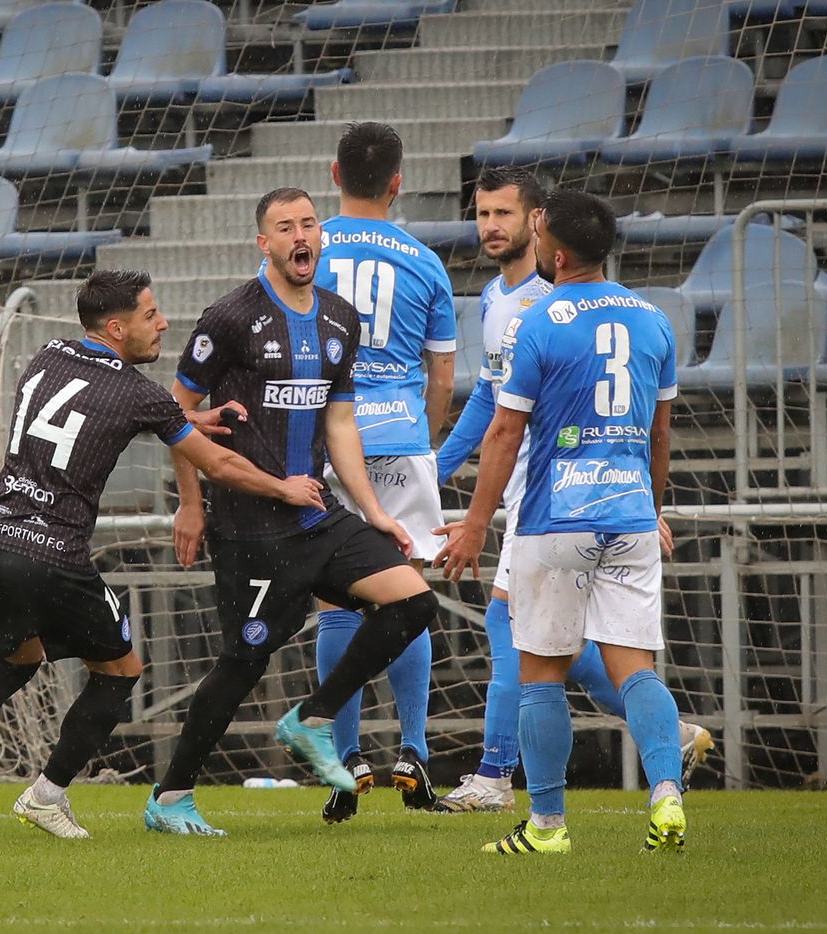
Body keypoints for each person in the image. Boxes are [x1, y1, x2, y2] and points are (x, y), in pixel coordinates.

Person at [0, 269, 326, 840]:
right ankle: (47, 795)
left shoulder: (49, 353)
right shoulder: (137, 391)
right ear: (118, 326)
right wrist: (284, 488)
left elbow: (88, 414)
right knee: (121, 671)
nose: (164, 323)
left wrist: (184, 419)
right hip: (54, 553)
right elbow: (219, 465)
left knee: (16, 663)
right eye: (151, 316)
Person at [143, 187, 439, 837]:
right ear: (265, 244)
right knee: (244, 661)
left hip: (318, 515)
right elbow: (177, 414)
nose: (300, 234)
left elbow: (339, 421)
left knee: (414, 602)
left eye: (309, 223)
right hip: (249, 526)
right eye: (285, 226)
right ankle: (170, 798)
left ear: (320, 237)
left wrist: (374, 511)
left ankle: (312, 717)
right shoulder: (229, 318)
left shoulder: (340, 318)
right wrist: (190, 506)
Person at [433, 168, 712, 814]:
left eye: (517, 217)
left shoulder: (539, 321)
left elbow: (503, 429)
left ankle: (536, 811)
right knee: (633, 665)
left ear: (553, 252)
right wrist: (654, 508)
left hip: (553, 511)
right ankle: (667, 784)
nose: (498, 226)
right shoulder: (653, 320)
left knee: (539, 671)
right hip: (631, 510)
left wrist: (474, 521)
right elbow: (660, 435)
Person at [307, 121, 457, 823]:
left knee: (336, 601)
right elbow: (444, 374)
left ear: (334, 175)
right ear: (397, 182)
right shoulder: (426, 261)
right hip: (399, 433)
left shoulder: (306, 247)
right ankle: (415, 750)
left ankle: (344, 761)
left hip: (324, 436)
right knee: (407, 592)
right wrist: (420, 438)